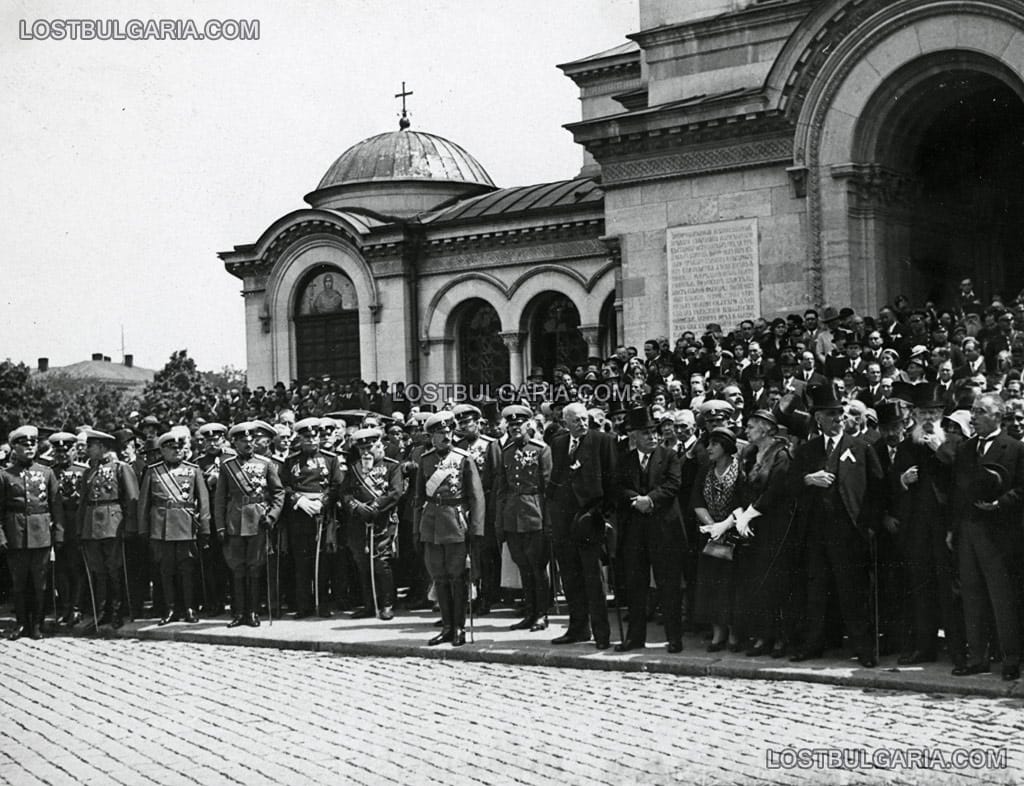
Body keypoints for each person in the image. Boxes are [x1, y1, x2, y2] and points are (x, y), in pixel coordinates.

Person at [789, 384, 883, 667]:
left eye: (839, 413)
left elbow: (879, 488)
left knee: (852, 591)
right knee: (816, 591)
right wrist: (808, 479)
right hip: (816, 533)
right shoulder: (808, 450)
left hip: (849, 533)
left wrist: (868, 526)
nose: (837, 419)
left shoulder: (860, 447)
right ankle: (813, 644)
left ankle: (864, 649)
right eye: (830, 414)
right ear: (818, 418)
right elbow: (789, 484)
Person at [950, 394, 1024, 681]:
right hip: (968, 530)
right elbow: (957, 491)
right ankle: (977, 657)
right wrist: (952, 529)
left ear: (998, 416)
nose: (974, 417)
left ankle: (1010, 658)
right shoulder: (966, 448)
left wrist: (999, 504)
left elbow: (1021, 489)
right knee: (971, 595)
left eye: (980, 412)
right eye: (973, 411)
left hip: (999, 534)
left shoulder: (1015, 448)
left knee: (1002, 598)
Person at [546, 401, 618, 649]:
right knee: (570, 576)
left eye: (584, 418)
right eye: (576, 419)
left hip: (591, 517)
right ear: (565, 421)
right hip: (565, 519)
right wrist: (553, 509)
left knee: (593, 579)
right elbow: (556, 478)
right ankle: (578, 629)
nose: (582, 422)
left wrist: (603, 516)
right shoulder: (558, 443)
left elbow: (612, 481)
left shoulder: (603, 441)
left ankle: (601, 634)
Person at [615, 406, 685, 653]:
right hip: (635, 532)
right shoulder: (625, 460)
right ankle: (635, 638)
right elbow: (618, 488)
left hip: (665, 530)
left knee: (669, 585)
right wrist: (636, 500)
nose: (652, 437)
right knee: (636, 586)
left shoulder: (669, 456)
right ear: (633, 435)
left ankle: (674, 638)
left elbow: (673, 485)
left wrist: (650, 500)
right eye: (645, 433)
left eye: (653, 432)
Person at [413, 411, 485, 646]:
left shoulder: (464, 458)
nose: (446, 436)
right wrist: (417, 529)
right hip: (431, 525)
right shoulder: (425, 460)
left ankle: (459, 628)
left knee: (457, 578)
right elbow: (418, 498)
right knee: (440, 578)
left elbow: (476, 497)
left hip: (455, 523)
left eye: (448, 431)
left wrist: (476, 528)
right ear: (431, 436)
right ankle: (446, 626)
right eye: (440, 433)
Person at [733, 410, 794, 657]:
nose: (746, 431)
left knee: (775, 581)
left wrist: (752, 512)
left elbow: (776, 490)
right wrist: (741, 514)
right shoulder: (748, 454)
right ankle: (762, 634)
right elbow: (740, 485)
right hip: (751, 526)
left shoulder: (781, 455)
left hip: (774, 525)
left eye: (750, 426)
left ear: (766, 428)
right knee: (756, 581)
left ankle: (780, 636)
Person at [136, 431, 211, 625]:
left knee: (187, 570)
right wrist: (144, 529)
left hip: (186, 526)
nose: (177, 451)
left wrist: (205, 527)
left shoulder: (193, 470)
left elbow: (203, 502)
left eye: (179, 448)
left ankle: (189, 608)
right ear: (162, 450)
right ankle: (169, 609)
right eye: (172, 448)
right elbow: (144, 503)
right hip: (161, 527)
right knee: (166, 570)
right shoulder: (153, 471)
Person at [215, 422, 286, 628]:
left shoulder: (266, 464)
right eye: (243, 441)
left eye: (250, 440)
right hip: (235, 521)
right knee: (238, 568)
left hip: (258, 520)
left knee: (255, 567)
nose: (248, 444)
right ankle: (239, 613)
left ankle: (253, 611)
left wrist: (272, 516)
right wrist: (220, 526)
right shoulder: (227, 466)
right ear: (235, 443)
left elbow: (278, 492)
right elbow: (220, 499)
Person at [0, 426, 64, 640]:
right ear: (14, 448)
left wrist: (59, 534)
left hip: (41, 534)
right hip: (15, 534)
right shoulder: (5, 475)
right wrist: (1, 536)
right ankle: (21, 624)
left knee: (40, 583)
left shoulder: (46, 473)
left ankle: (37, 624)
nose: (29, 448)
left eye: (32, 444)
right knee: (19, 583)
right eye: (24, 445)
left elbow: (56, 507)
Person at [495, 404, 553, 632]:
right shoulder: (506, 451)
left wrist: (548, 521)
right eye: (511, 425)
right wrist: (500, 521)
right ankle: (529, 612)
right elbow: (502, 488)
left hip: (535, 514)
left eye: (519, 425)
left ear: (529, 425)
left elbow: (548, 487)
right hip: (512, 516)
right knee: (523, 567)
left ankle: (542, 614)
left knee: (538, 567)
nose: (515, 429)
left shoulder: (541, 450)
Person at [79, 428, 139, 629]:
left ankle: (117, 611)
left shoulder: (120, 468)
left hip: (113, 524)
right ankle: (102, 611)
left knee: (114, 569)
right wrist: (81, 528)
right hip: (91, 525)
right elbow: (83, 502)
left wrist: (130, 527)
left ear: (102, 447)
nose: (87, 449)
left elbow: (132, 499)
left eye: (91, 446)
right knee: (98, 571)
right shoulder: (88, 471)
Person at [283, 417, 343, 619]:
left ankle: (323, 604)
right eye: (306, 437)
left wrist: (323, 502)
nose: (311, 441)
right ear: (300, 439)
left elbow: (336, 485)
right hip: (300, 514)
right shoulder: (291, 461)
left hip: (323, 515)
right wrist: (298, 500)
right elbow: (285, 486)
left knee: (323, 561)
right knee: (301, 562)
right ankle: (303, 606)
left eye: (314, 436)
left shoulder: (330, 459)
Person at [342, 427, 404, 620]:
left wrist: (376, 506)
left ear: (379, 445)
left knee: (380, 562)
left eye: (370, 448)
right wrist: (355, 507)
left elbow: (395, 492)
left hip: (383, 520)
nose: (366, 453)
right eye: (362, 449)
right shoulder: (353, 468)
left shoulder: (392, 467)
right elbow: (344, 493)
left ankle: (387, 604)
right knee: (363, 563)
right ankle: (369, 605)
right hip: (359, 521)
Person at [692, 427, 745, 652]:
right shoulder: (706, 470)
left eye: (714, 444)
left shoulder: (740, 470)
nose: (709, 449)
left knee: (732, 586)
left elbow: (744, 501)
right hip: (710, 535)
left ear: (725, 446)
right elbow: (696, 499)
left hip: (735, 534)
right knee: (711, 586)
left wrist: (725, 526)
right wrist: (712, 525)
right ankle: (718, 631)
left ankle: (734, 632)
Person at [47, 431, 87, 626]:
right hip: (56, 524)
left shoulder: (83, 470)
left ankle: (77, 608)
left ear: (74, 450)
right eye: (58, 452)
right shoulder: (49, 472)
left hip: (76, 523)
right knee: (60, 569)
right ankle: (65, 606)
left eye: (66, 451)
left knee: (76, 567)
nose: (62, 455)